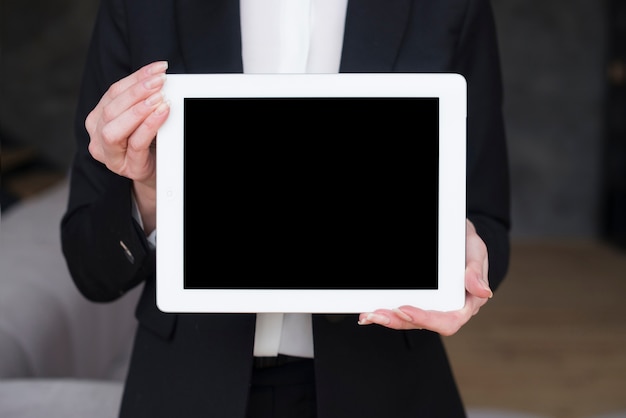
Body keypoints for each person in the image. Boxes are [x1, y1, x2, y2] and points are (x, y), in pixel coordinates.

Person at [60, 0, 511, 417]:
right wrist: (151, 193)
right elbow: (89, 263)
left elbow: (488, 218)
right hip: (188, 384)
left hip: (386, 384)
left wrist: (464, 257)